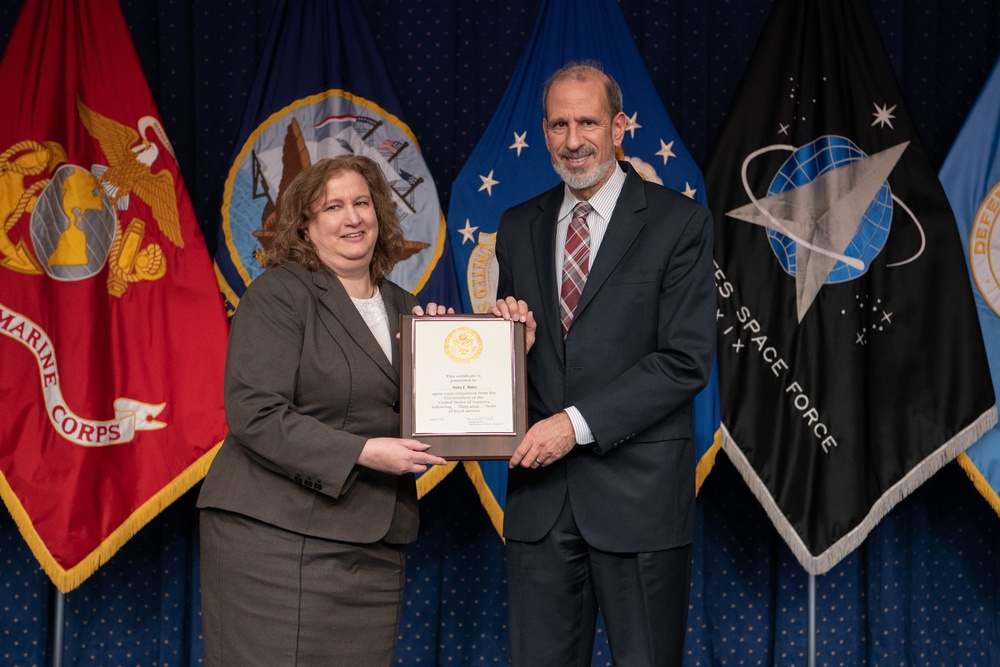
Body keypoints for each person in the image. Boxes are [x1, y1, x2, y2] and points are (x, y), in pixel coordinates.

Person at [491, 61, 716, 666]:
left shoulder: (679, 223)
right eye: (559, 124)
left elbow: (685, 361)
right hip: (540, 506)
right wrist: (511, 344)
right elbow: (520, 365)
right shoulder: (516, 227)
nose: (572, 140)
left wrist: (573, 424)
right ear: (543, 132)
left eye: (587, 121)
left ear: (618, 127)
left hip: (638, 503)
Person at [197, 155, 449, 667]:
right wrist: (362, 452)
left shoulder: (407, 308)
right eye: (332, 206)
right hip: (276, 541)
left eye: (361, 202)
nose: (352, 217)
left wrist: (469, 350)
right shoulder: (280, 294)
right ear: (305, 226)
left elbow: (438, 415)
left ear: (380, 213)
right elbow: (254, 412)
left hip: (373, 546)